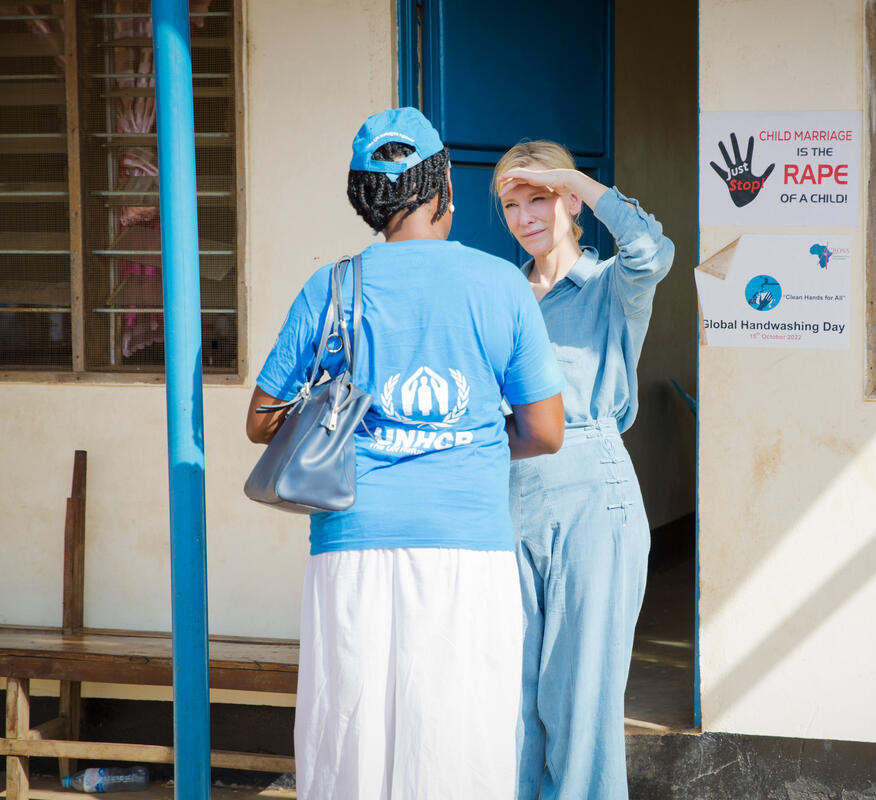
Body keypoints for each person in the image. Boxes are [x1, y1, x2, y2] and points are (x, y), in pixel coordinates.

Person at [246, 108, 565, 800]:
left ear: (369, 198)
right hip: (468, 547)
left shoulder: (329, 288)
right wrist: (473, 439)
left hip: (350, 544)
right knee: (458, 741)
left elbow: (261, 420)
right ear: (441, 186)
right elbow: (545, 430)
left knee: (349, 739)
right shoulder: (499, 284)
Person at [492, 142, 675, 800]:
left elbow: (652, 248)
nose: (522, 216)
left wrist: (572, 178)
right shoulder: (502, 295)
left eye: (536, 198)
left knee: (580, 700)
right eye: (510, 204)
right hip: (509, 497)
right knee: (511, 699)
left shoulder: (607, 288)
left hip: (591, 499)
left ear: (568, 201)